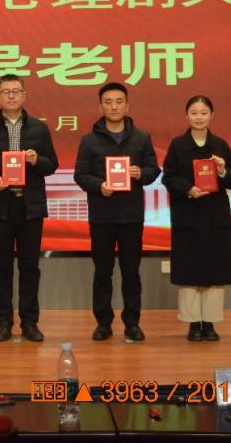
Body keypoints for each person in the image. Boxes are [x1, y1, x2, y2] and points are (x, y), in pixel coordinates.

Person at [0, 74, 58, 342]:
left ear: (24, 96)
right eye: (6, 92)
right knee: (2, 268)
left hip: (30, 206)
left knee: (30, 267)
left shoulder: (39, 129)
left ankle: (29, 322)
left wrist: (36, 160)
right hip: (0, 206)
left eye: (16, 91)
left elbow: (51, 164)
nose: (11, 96)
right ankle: (4, 322)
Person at [73, 82, 159, 342]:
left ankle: (132, 324)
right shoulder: (89, 140)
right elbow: (80, 175)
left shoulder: (141, 138)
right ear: (100, 106)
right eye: (108, 102)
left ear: (127, 105)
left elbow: (153, 170)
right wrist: (99, 186)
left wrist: (140, 173)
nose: (114, 106)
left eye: (119, 101)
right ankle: (103, 323)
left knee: (131, 273)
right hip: (102, 216)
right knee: (103, 273)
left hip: (131, 216)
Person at [161, 95, 231, 341]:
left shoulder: (220, 145)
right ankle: (192, 324)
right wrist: (188, 188)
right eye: (194, 113)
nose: (199, 117)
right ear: (186, 116)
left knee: (215, 269)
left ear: (212, 115)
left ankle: (209, 323)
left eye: (203, 113)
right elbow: (168, 177)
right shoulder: (178, 145)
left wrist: (223, 170)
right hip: (187, 214)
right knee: (190, 269)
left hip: (215, 215)